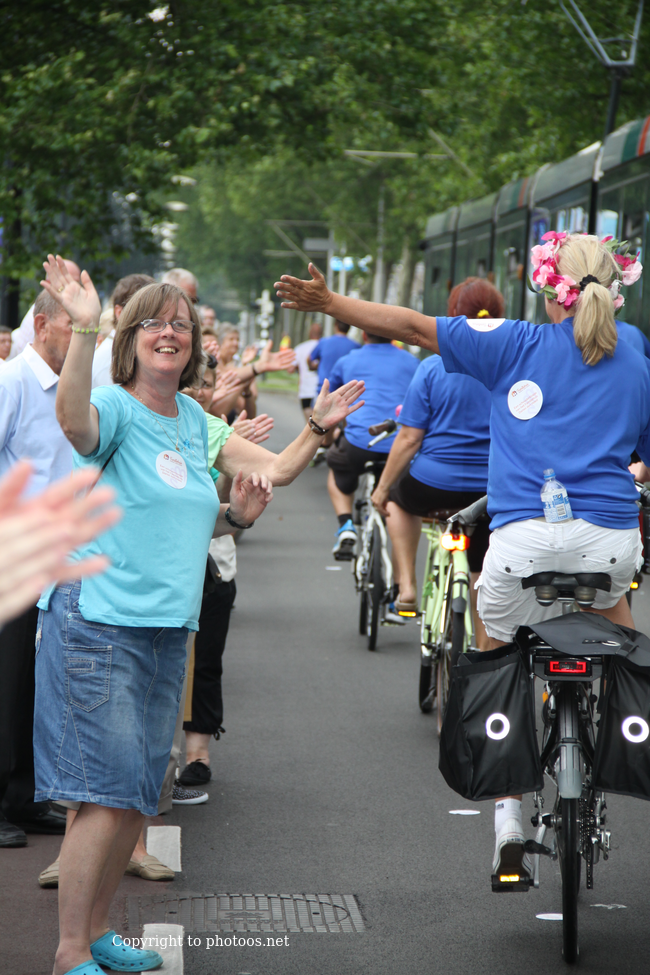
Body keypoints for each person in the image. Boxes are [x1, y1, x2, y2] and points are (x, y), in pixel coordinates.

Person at [275, 233, 650, 885]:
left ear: (547, 289)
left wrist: (331, 301)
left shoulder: (514, 343)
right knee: (618, 622)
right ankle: (623, 726)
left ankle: (508, 817)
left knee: (495, 647)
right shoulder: (637, 351)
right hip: (609, 540)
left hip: (521, 542)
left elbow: (410, 325)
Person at [38, 255, 363, 975]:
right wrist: (84, 327)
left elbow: (273, 471)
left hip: (167, 629)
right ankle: (69, 952)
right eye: (153, 323)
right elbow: (72, 421)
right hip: (100, 622)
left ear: (192, 346)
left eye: (180, 325)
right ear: (130, 339)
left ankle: (99, 933)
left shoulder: (194, 421)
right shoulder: (113, 407)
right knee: (103, 794)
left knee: (136, 794)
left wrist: (310, 433)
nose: (169, 332)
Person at [371, 279, 497, 646]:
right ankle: (484, 648)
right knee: (480, 567)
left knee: (398, 501)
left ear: (452, 315)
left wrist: (382, 489)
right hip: (490, 490)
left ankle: (407, 586)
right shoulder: (511, 365)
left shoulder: (432, 367)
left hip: (432, 483)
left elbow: (409, 438)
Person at [0, 289, 77, 849]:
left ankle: (25, 797)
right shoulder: (12, 381)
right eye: (77, 326)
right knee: (5, 683)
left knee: (36, 682)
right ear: (43, 324)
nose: (85, 338)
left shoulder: (72, 388)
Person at [326, 331, 418, 561]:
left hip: (359, 443)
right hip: (399, 447)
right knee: (399, 499)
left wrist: (330, 435)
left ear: (364, 334)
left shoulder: (347, 360)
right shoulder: (413, 362)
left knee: (336, 467)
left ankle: (346, 525)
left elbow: (329, 402)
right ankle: (400, 575)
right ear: (394, 336)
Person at [7, 258, 81, 360]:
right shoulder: (41, 313)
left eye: (77, 283)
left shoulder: (73, 310)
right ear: (41, 325)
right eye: (68, 281)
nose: (76, 288)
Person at [91, 273, 154, 387]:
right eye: (142, 311)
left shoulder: (130, 350)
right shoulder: (109, 361)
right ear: (119, 313)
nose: (152, 319)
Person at [290, 321, 322, 423]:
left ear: (309, 333)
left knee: (310, 425)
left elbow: (290, 369)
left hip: (305, 391)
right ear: (321, 333)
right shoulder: (325, 346)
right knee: (321, 424)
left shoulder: (300, 348)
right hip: (321, 390)